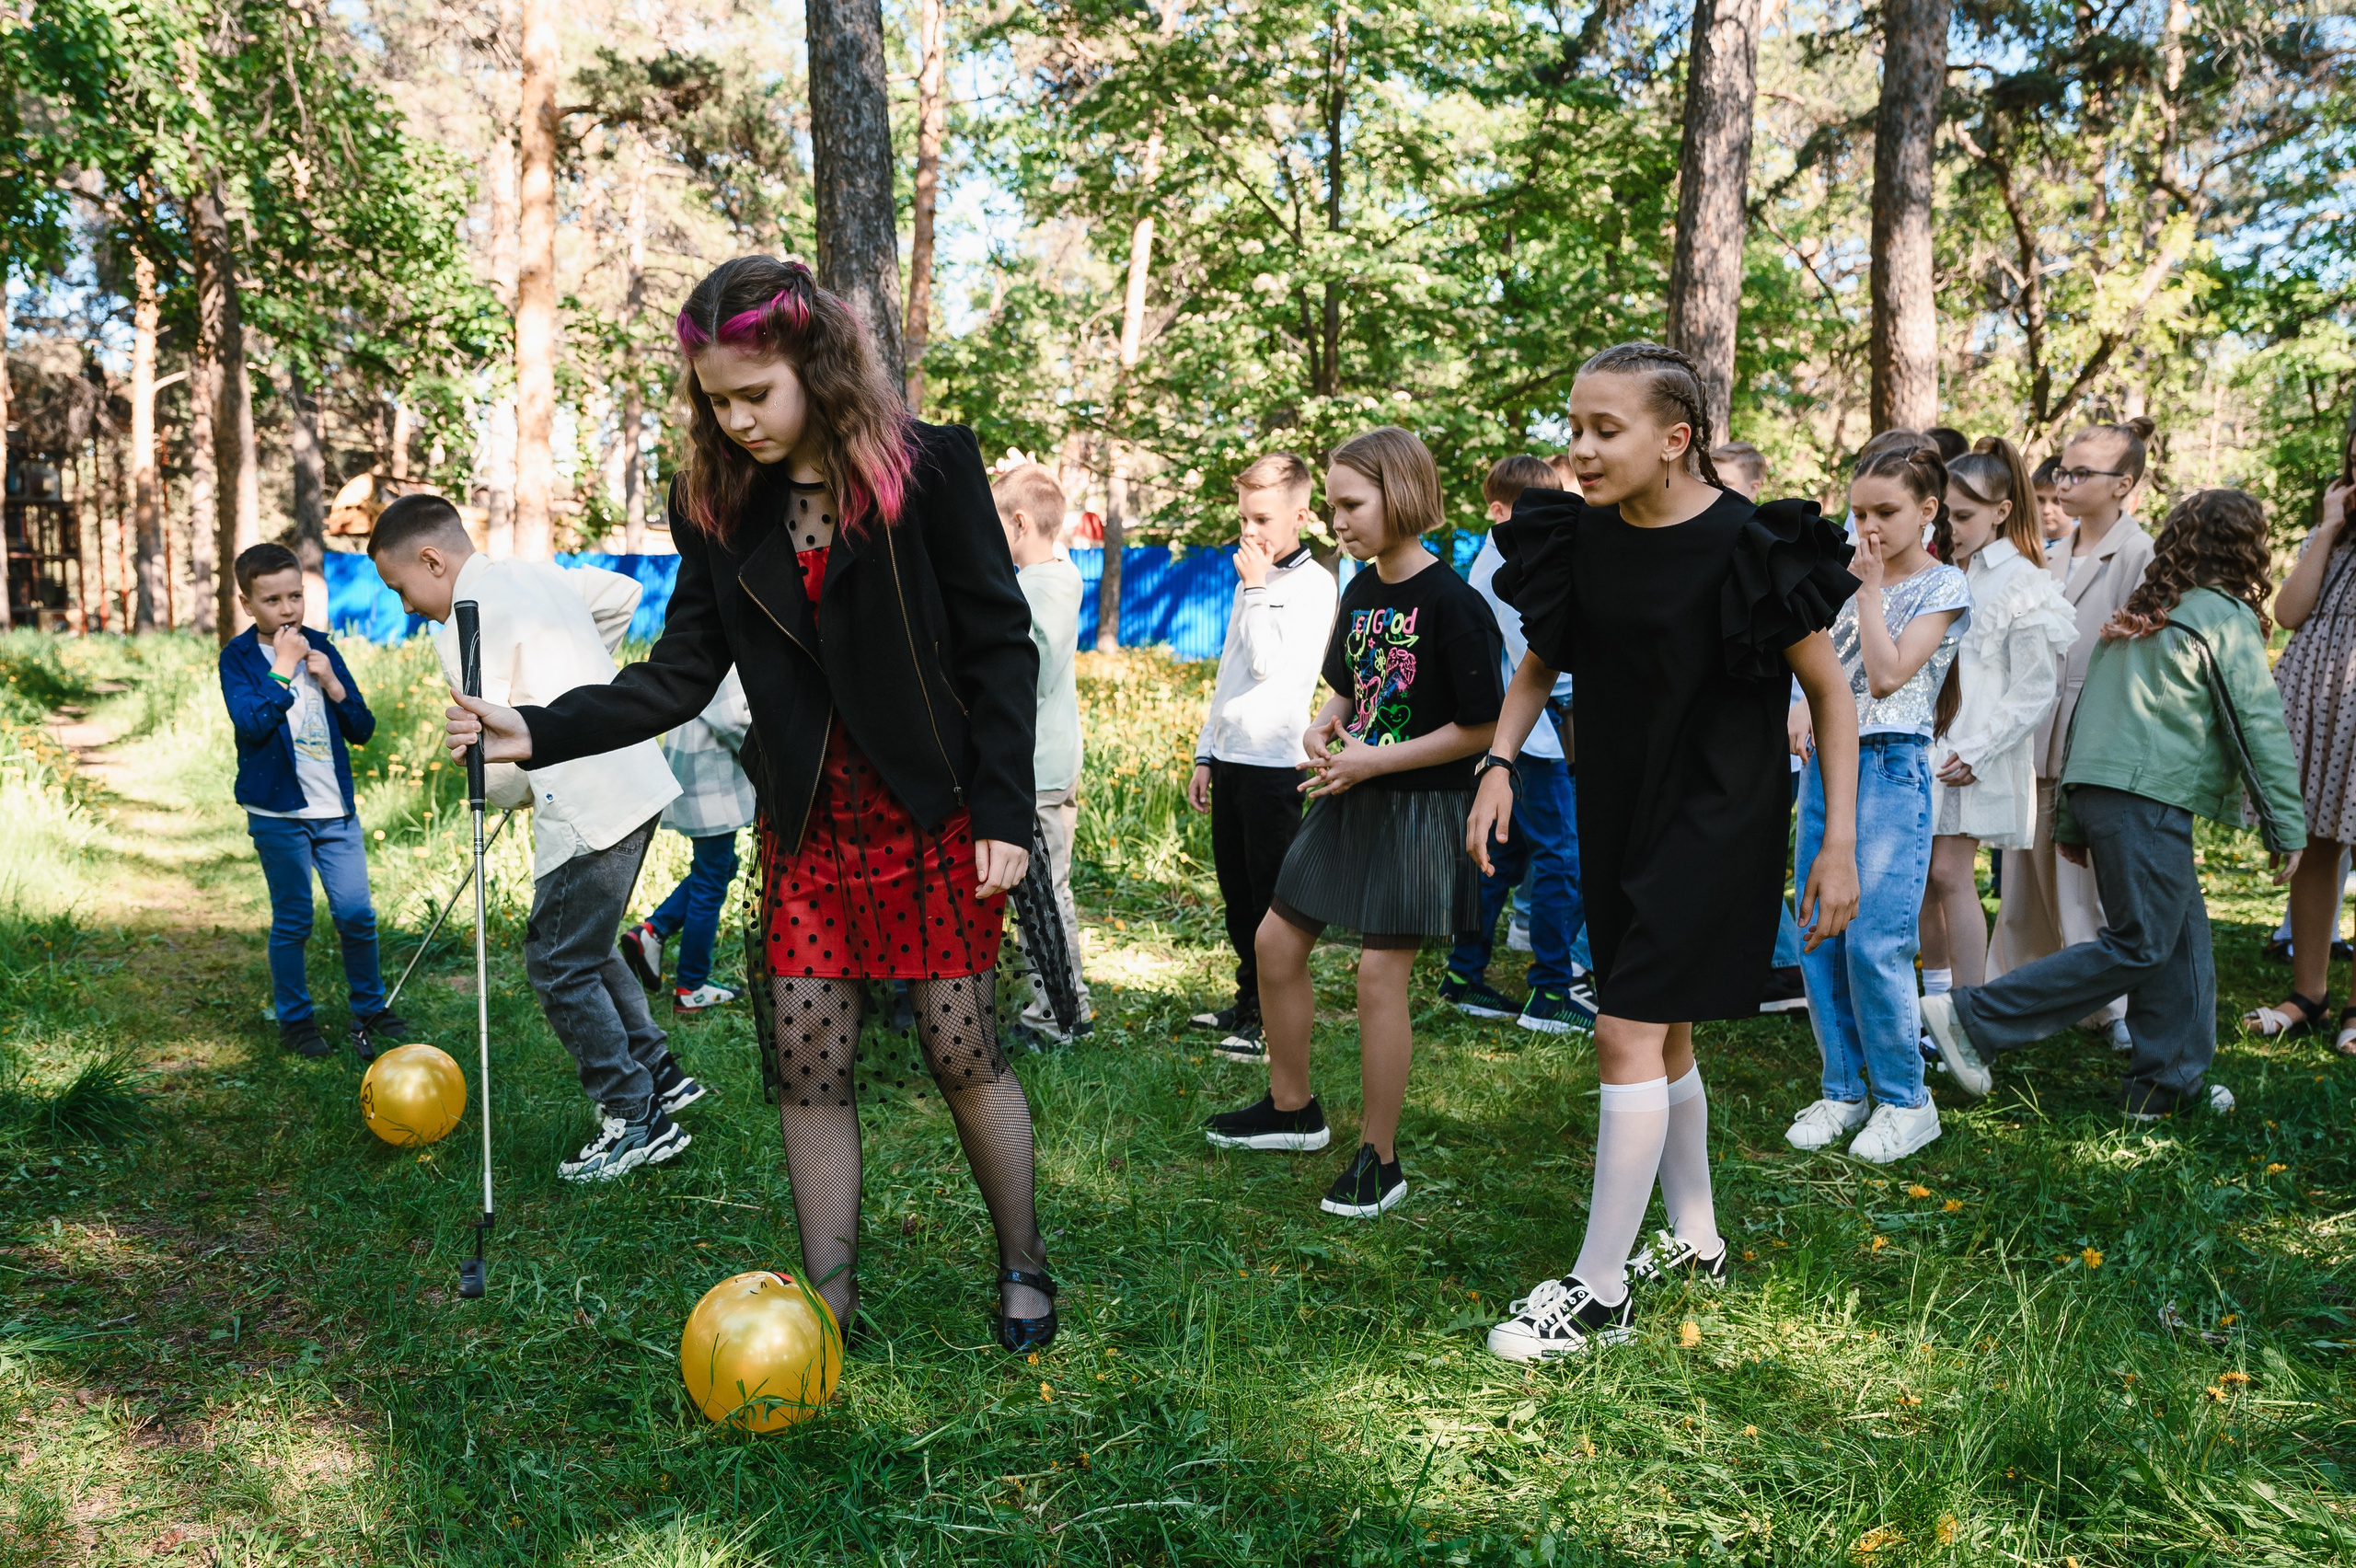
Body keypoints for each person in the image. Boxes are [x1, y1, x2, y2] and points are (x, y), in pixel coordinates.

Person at [438, 256, 1057, 1353]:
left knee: (961, 1051)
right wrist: (538, 729)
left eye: (754, 396)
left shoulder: (933, 470)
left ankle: (1022, 1265)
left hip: (937, 813)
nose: (735, 422)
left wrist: (1005, 811)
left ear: (817, 369)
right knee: (807, 1056)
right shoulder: (717, 504)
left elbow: (1002, 650)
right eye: (714, 401)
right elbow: (678, 670)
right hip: (810, 825)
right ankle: (829, 1303)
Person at [1469, 342, 1862, 1360]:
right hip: (1615, 809)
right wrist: (1499, 764)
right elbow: (1537, 664)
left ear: (1675, 439)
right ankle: (1696, 1239)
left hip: (1719, 816)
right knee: (1665, 1034)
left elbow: (1829, 694)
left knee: (1622, 1028)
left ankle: (1599, 1292)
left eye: (1607, 430)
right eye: (1575, 429)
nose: (1581, 451)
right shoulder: (1577, 540)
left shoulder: (1753, 544)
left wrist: (1838, 844)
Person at [1924, 490, 2306, 1116]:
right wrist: (2285, 827)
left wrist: (2074, 815)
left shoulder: (2146, 611)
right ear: (2248, 546)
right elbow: (2257, 725)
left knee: (2180, 942)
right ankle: (1974, 1017)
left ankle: (2165, 1086)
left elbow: (2088, 718)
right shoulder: (2221, 614)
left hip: (2111, 794)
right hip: (2144, 797)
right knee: (2140, 941)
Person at [1202, 427, 1502, 1219]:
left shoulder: (1454, 604)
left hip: (1419, 812)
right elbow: (1347, 686)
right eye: (1332, 506)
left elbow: (1480, 727)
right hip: (1348, 794)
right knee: (1274, 942)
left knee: (1378, 977)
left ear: (1401, 494)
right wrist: (1323, 724)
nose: (1337, 521)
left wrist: (1376, 760)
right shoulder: (1363, 589)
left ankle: (1381, 1155)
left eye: (1350, 504)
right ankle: (1294, 1108)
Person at [372, 494, 701, 1183]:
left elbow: (488, 757)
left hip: (585, 801)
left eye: (400, 587)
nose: (403, 606)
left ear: (432, 559)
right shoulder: (539, 573)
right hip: (633, 777)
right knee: (587, 945)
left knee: (558, 962)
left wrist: (534, 735)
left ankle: (634, 1116)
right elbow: (620, 595)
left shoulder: (463, 622)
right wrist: (575, 684)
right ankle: (662, 1074)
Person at [1781, 435, 1969, 1162]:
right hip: (1830, 766)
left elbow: (1888, 677)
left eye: (1885, 512)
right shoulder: (1843, 577)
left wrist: (1865, 587)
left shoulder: (1943, 587)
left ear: (1927, 509)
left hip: (1891, 769)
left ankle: (1906, 1100)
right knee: (1817, 929)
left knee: (1876, 938)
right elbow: (1820, 667)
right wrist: (1800, 702)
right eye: (1858, 512)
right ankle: (1843, 1088)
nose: (1869, 529)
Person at [1984, 418, 2159, 1051]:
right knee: (2022, 879)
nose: (2066, 481)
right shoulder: (2049, 554)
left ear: (2125, 485)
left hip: (2091, 739)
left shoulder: (2141, 554)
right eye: (2063, 469)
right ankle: (2011, 988)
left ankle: (2106, 1007)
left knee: (2081, 886)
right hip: (2028, 736)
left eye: (2083, 473)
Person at [219, 542, 411, 1061]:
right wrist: (283, 668)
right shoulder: (237, 659)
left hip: (336, 812)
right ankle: (297, 1020)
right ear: (248, 604)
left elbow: (363, 729)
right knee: (294, 920)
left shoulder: (323, 647)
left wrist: (329, 681)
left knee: (356, 915)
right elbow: (253, 723)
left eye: (295, 596)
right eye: (273, 600)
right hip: (277, 813)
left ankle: (370, 1007)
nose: (287, 610)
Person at [1185, 454, 1339, 1061]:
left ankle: (1274, 1020)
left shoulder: (1312, 584)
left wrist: (1254, 588)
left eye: (1264, 519)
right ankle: (1248, 1004)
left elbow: (1268, 664)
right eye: (1244, 518)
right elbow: (1230, 673)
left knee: (1271, 900)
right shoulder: (1254, 579)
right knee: (1237, 895)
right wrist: (1205, 752)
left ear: (1300, 515)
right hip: (1231, 760)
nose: (1250, 532)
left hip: (1276, 767)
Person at [1918, 440, 2076, 1006]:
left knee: (1950, 874)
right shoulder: (1946, 569)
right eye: (1946, 514)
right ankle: (1935, 999)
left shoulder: (2022, 582)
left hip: (1973, 750)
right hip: (1930, 745)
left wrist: (1979, 750)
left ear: (2002, 512)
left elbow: (2035, 687)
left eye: (1965, 516)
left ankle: (1968, 1010)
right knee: (1922, 881)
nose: (1952, 527)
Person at [1446, 455, 1595, 1033]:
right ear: (1499, 510)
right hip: (1527, 737)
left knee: (1504, 856)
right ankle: (1550, 990)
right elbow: (1544, 657)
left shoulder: (1504, 556)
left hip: (1522, 734)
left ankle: (1464, 974)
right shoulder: (1504, 565)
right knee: (1562, 857)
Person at [2243, 414, 2356, 1051]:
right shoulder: (2330, 535)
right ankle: (2308, 993)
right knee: (2314, 843)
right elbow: (2287, 612)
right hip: (2318, 699)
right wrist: (2331, 525)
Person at [993, 461, 1094, 1047]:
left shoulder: (1042, 587)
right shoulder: (1051, 575)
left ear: (1021, 523)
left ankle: (1058, 1019)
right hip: (1039, 765)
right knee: (1040, 894)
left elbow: (1026, 672)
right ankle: (1055, 1009)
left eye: (994, 523)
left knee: (1046, 896)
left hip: (1039, 771)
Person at [1714, 440, 1810, 1013]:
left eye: (1726, 483)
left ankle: (1781, 965)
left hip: (1777, 731)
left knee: (1754, 848)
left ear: (1754, 489)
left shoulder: (1773, 553)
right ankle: (1776, 964)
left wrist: (1799, 703)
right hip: (1727, 730)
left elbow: (1804, 648)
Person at [619, 668, 755, 1012]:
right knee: (712, 879)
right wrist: (767, 754)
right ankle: (691, 986)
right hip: (711, 780)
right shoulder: (726, 646)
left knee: (722, 866)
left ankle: (654, 930)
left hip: (700, 771)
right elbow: (731, 719)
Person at [2032, 455, 2071, 559]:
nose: (2046, 510)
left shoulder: (2085, 549)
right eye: (2039, 500)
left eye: (2057, 501)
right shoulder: (2018, 548)